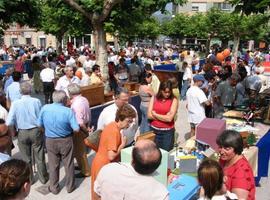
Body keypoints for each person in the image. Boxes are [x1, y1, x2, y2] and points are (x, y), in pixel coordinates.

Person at [94, 139, 168, 200]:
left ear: (132, 160)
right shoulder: (160, 193)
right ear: (157, 166)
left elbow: (97, 195)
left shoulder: (108, 170)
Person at [37, 90, 79, 194]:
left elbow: (38, 124)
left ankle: (54, 188)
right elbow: (76, 129)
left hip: (50, 140)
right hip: (65, 140)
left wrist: (46, 131)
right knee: (68, 164)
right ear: (64, 99)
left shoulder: (45, 108)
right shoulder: (68, 111)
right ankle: (70, 187)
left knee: (53, 165)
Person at [6, 81, 48, 184]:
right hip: (35, 130)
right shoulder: (36, 101)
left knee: (26, 158)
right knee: (39, 155)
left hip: (22, 131)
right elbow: (40, 117)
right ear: (30, 90)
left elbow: (9, 121)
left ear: (20, 91)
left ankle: (29, 179)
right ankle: (43, 177)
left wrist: (13, 131)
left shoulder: (15, 103)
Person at [91, 104, 136, 200]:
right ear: (121, 118)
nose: (129, 124)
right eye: (128, 121)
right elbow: (111, 156)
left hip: (100, 163)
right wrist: (122, 146)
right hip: (103, 166)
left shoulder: (111, 125)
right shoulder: (114, 132)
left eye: (131, 121)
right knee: (102, 194)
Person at [216, 130, 255, 200]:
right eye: (220, 147)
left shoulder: (241, 172)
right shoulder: (225, 159)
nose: (221, 152)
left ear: (236, 148)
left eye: (227, 149)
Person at [67, 83, 91, 178]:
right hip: (84, 126)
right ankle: (81, 166)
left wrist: (85, 130)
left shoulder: (75, 105)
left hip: (79, 129)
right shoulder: (84, 99)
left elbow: (80, 123)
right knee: (79, 151)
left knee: (80, 152)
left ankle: (86, 171)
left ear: (70, 93)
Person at [148, 80, 178, 151]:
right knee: (154, 153)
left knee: (166, 153)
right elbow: (149, 115)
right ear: (161, 90)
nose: (167, 94)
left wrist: (155, 114)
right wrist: (164, 117)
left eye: (169, 92)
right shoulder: (154, 98)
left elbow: (169, 119)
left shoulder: (174, 100)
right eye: (165, 92)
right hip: (153, 131)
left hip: (167, 133)